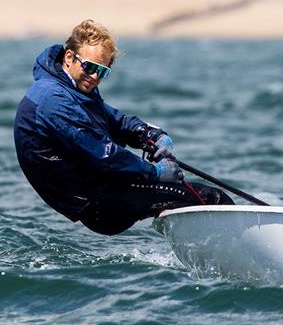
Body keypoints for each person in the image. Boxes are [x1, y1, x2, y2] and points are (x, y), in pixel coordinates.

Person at [14, 19, 233, 235]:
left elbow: (117, 121)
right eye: (90, 67)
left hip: (105, 190)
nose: (94, 77)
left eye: (102, 72)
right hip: (98, 203)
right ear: (69, 57)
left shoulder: (71, 88)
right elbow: (103, 154)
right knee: (212, 199)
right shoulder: (52, 97)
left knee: (184, 197)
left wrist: (153, 137)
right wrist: (155, 172)